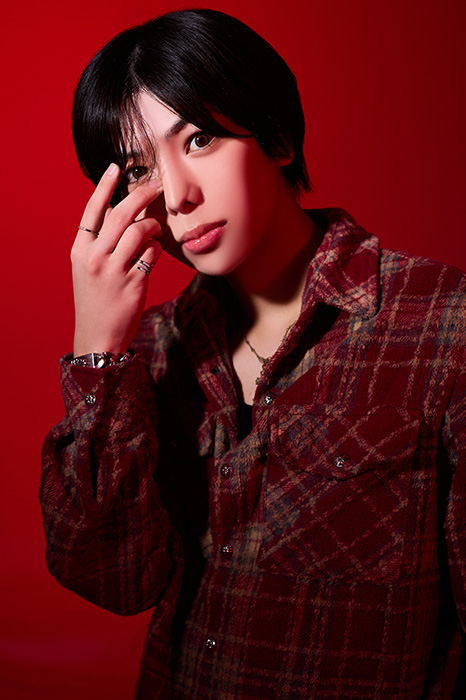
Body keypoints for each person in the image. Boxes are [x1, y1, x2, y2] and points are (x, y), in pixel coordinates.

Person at [40, 8, 466, 699]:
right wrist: (95, 351)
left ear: (276, 138)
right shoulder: (151, 351)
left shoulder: (443, 324)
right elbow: (111, 581)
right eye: (142, 169)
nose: (179, 196)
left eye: (200, 139)